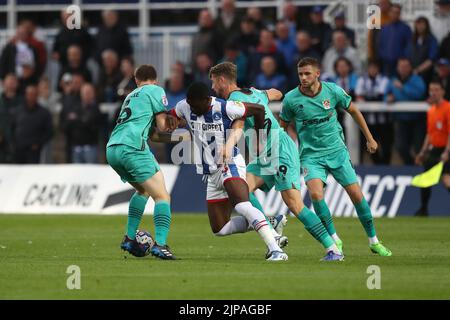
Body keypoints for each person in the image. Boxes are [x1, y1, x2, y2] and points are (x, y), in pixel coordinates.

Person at [209, 62, 344, 261]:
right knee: (241, 189)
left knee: (294, 204)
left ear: (222, 80)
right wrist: (262, 94)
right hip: (265, 154)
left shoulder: (235, 102)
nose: (212, 87)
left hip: (279, 149)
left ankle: (333, 249)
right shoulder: (252, 92)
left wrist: (229, 145)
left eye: (213, 83)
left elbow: (238, 126)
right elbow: (277, 93)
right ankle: (271, 229)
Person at [279, 57, 392, 256]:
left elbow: (354, 111)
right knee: (315, 195)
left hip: (337, 152)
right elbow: (283, 125)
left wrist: (370, 138)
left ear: (317, 73)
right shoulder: (291, 99)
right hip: (311, 156)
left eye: (307, 73)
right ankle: (334, 239)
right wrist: (283, 150)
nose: (303, 78)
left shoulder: (333, 91)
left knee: (356, 195)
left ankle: (374, 241)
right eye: (300, 74)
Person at [169, 82, 288, 261]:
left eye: (195, 105)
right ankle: (268, 222)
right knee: (220, 229)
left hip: (229, 163)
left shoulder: (226, 106)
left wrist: (258, 138)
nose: (192, 109)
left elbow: (257, 109)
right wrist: (166, 123)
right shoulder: (184, 106)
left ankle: (275, 250)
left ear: (206, 100)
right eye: (190, 105)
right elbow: (170, 116)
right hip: (211, 174)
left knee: (241, 205)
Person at [106, 64, 177, 260]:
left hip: (113, 148)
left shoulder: (131, 95)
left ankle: (130, 238)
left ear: (136, 80)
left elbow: (151, 133)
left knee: (144, 190)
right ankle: (160, 245)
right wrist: (180, 132)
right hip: (132, 148)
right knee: (162, 197)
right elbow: (162, 127)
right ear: (155, 79)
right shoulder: (156, 90)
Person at [414, 80, 450, 216]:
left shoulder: (448, 108)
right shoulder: (431, 111)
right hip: (434, 150)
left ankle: (423, 208)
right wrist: (423, 152)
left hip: (446, 149)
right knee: (426, 179)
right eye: (431, 90)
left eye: (436, 89)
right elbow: (429, 133)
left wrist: (447, 151)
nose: (433, 93)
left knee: (446, 179)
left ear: (442, 91)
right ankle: (423, 209)